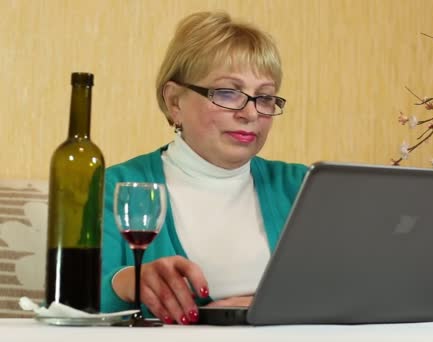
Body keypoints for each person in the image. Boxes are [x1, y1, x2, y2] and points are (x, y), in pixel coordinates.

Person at [101, 11, 307, 325]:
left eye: (264, 97)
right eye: (228, 93)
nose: (250, 113)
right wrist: (127, 282)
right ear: (175, 102)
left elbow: (355, 287)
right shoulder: (116, 185)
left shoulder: (301, 185)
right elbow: (66, 300)